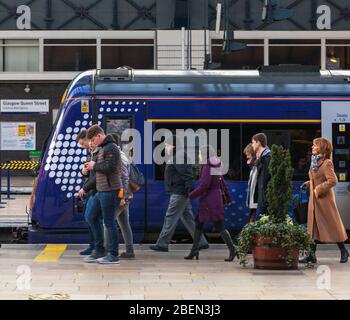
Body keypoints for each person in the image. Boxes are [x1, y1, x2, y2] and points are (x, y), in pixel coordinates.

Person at [150, 135, 209, 252]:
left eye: (167, 145)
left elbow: (187, 176)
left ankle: (162, 244)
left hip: (179, 193)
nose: (165, 147)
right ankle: (201, 242)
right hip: (180, 192)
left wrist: (190, 192)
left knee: (170, 217)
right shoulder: (176, 156)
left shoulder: (180, 156)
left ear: (173, 145)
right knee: (188, 219)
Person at [300, 138, 349, 264]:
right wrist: (308, 184)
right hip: (315, 200)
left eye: (314, 145)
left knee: (333, 225)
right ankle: (311, 255)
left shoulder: (327, 163)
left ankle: (343, 250)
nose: (312, 147)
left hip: (324, 200)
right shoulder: (314, 162)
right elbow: (316, 179)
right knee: (313, 227)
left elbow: (332, 180)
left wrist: (317, 189)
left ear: (321, 148)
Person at [185, 145, 237, 261]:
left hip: (209, 201)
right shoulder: (215, 163)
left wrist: (191, 195)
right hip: (213, 199)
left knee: (219, 224)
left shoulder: (208, 165)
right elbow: (221, 181)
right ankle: (194, 251)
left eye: (199, 153)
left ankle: (233, 249)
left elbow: (205, 185)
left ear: (204, 154)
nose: (198, 155)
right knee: (198, 222)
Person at [84, 125, 122, 265]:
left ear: (100, 136)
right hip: (101, 190)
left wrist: (94, 166)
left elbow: (110, 168)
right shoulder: (103, 149)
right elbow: (101, 169)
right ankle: (99, 249)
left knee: (109, 222)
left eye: (94, 139)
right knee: (91, 217)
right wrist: (91, 167)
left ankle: (113, 255)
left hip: (110, 190)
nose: (93, 142)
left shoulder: (111, 148)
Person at [111, 133, 135, 258]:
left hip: (123, 196)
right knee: (124, 224)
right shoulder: (122, 155)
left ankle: (108, 250)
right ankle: (130, 250)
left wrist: (122, 196)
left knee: (107, 222)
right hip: (126, 195)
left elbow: (124, 178)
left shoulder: (119, 157)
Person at [76, 129, 99, 256]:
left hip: (95, 190)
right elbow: (91, 172)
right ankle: (94, 246)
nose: (82, 146)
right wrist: (83, 171)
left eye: (82, 143)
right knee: (90, 218)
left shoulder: (99, 152)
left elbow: (98, 175)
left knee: (92, 218)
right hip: (91, 189)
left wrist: (84, 188)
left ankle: (97, 247)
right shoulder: (91, 153)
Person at [251, 133, 271, 221]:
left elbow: (264, 179)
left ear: (258, 143)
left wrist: (263, 200)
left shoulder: (266, 158)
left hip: (264, 198)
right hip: (262, 198)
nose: (252, 145)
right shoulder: (262, 157)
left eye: (253, 142)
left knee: (259, 223)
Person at [243, 143, 258, 223]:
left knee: (253, 219)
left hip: (256, 200)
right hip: (253, 200)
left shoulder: (256, 167)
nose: (247, 157)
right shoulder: (253, 167)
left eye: (248, 155)